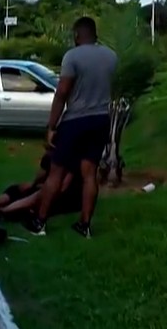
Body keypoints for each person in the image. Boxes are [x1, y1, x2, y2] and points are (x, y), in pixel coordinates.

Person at [24, 16, 117, 238]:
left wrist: (51, 125)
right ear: (95, 34)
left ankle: (40, 222)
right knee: (89, 174)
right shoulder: (111, 56)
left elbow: (63, 92)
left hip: (76, 120)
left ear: (77, 35)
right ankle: (84, 225)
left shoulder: (72, 56)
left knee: (56, 172)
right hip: (101, 119)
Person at [0, 149, 82, 221]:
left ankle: (2, 212)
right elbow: (40, 176)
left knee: (37, 196)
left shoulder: (73, 159)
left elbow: (63, 188)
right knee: (18, 189)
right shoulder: (50, 156)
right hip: (50, 188)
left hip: (68, 198)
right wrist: (33, 185)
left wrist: (45, 188)